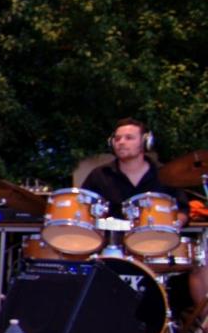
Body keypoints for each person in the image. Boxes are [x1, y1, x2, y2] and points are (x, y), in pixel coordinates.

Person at [81, 118, 206, 315]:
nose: (121, 142)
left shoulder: (166, 175)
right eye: (117, 138)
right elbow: (83, 210)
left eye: (129, 137)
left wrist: (174, 226)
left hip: (158, 246)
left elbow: (182, 210)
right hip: (113, 248)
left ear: (145, 142)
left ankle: (204, 326)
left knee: (201, 264)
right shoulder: (99, 176)